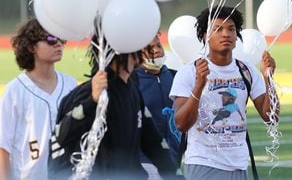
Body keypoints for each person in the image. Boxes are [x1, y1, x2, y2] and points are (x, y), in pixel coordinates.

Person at [169, 6, 279, 180]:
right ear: (205, 35)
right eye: (218, 29)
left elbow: (271, 117)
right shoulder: (190, 72)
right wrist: (199, 85)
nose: (226, 34)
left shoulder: (246, 70)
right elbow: (181, 124)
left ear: (237, 37)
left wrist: (268, 78)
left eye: (231, 29)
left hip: (238, 164)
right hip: (203, 164)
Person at [48, 35, 177, 179]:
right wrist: (92, 102)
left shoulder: (132, 89)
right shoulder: (91, 93)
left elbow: (153, 142)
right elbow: (61, 136)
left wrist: (174, 174)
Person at [0, 19, 77, 180]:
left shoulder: (70, 84)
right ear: (31, 47)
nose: (58, 44)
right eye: (50, 39)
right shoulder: (15, 91)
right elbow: (3, 146)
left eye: (61, 39)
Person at [134, 32, 182, 178]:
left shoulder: (176, 77)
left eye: (158, 45)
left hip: (174, 160)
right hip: (144, 162)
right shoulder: (132, 81)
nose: (155, 51)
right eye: (149, 48)